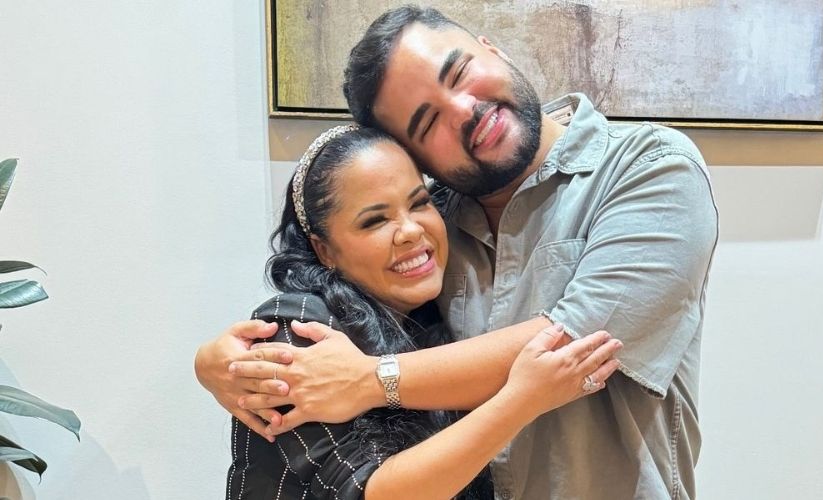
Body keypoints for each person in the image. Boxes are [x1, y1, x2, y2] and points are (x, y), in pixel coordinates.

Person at [197, 5, 719, 499]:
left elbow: (574, 342)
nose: (466, 110)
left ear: (493, 49)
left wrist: (369, 381)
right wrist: (218, 364)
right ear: (417, 157)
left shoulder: (648, 168)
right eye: (427, 124)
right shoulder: (435, 224)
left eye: (460, 71)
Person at [221, 124, 622, 499]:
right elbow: (370, 492)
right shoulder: (296, 329)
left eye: (419, 203)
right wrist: (523, 399)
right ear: (324, 249)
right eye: (375, 220)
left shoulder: (435, 315)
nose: (411, 230)